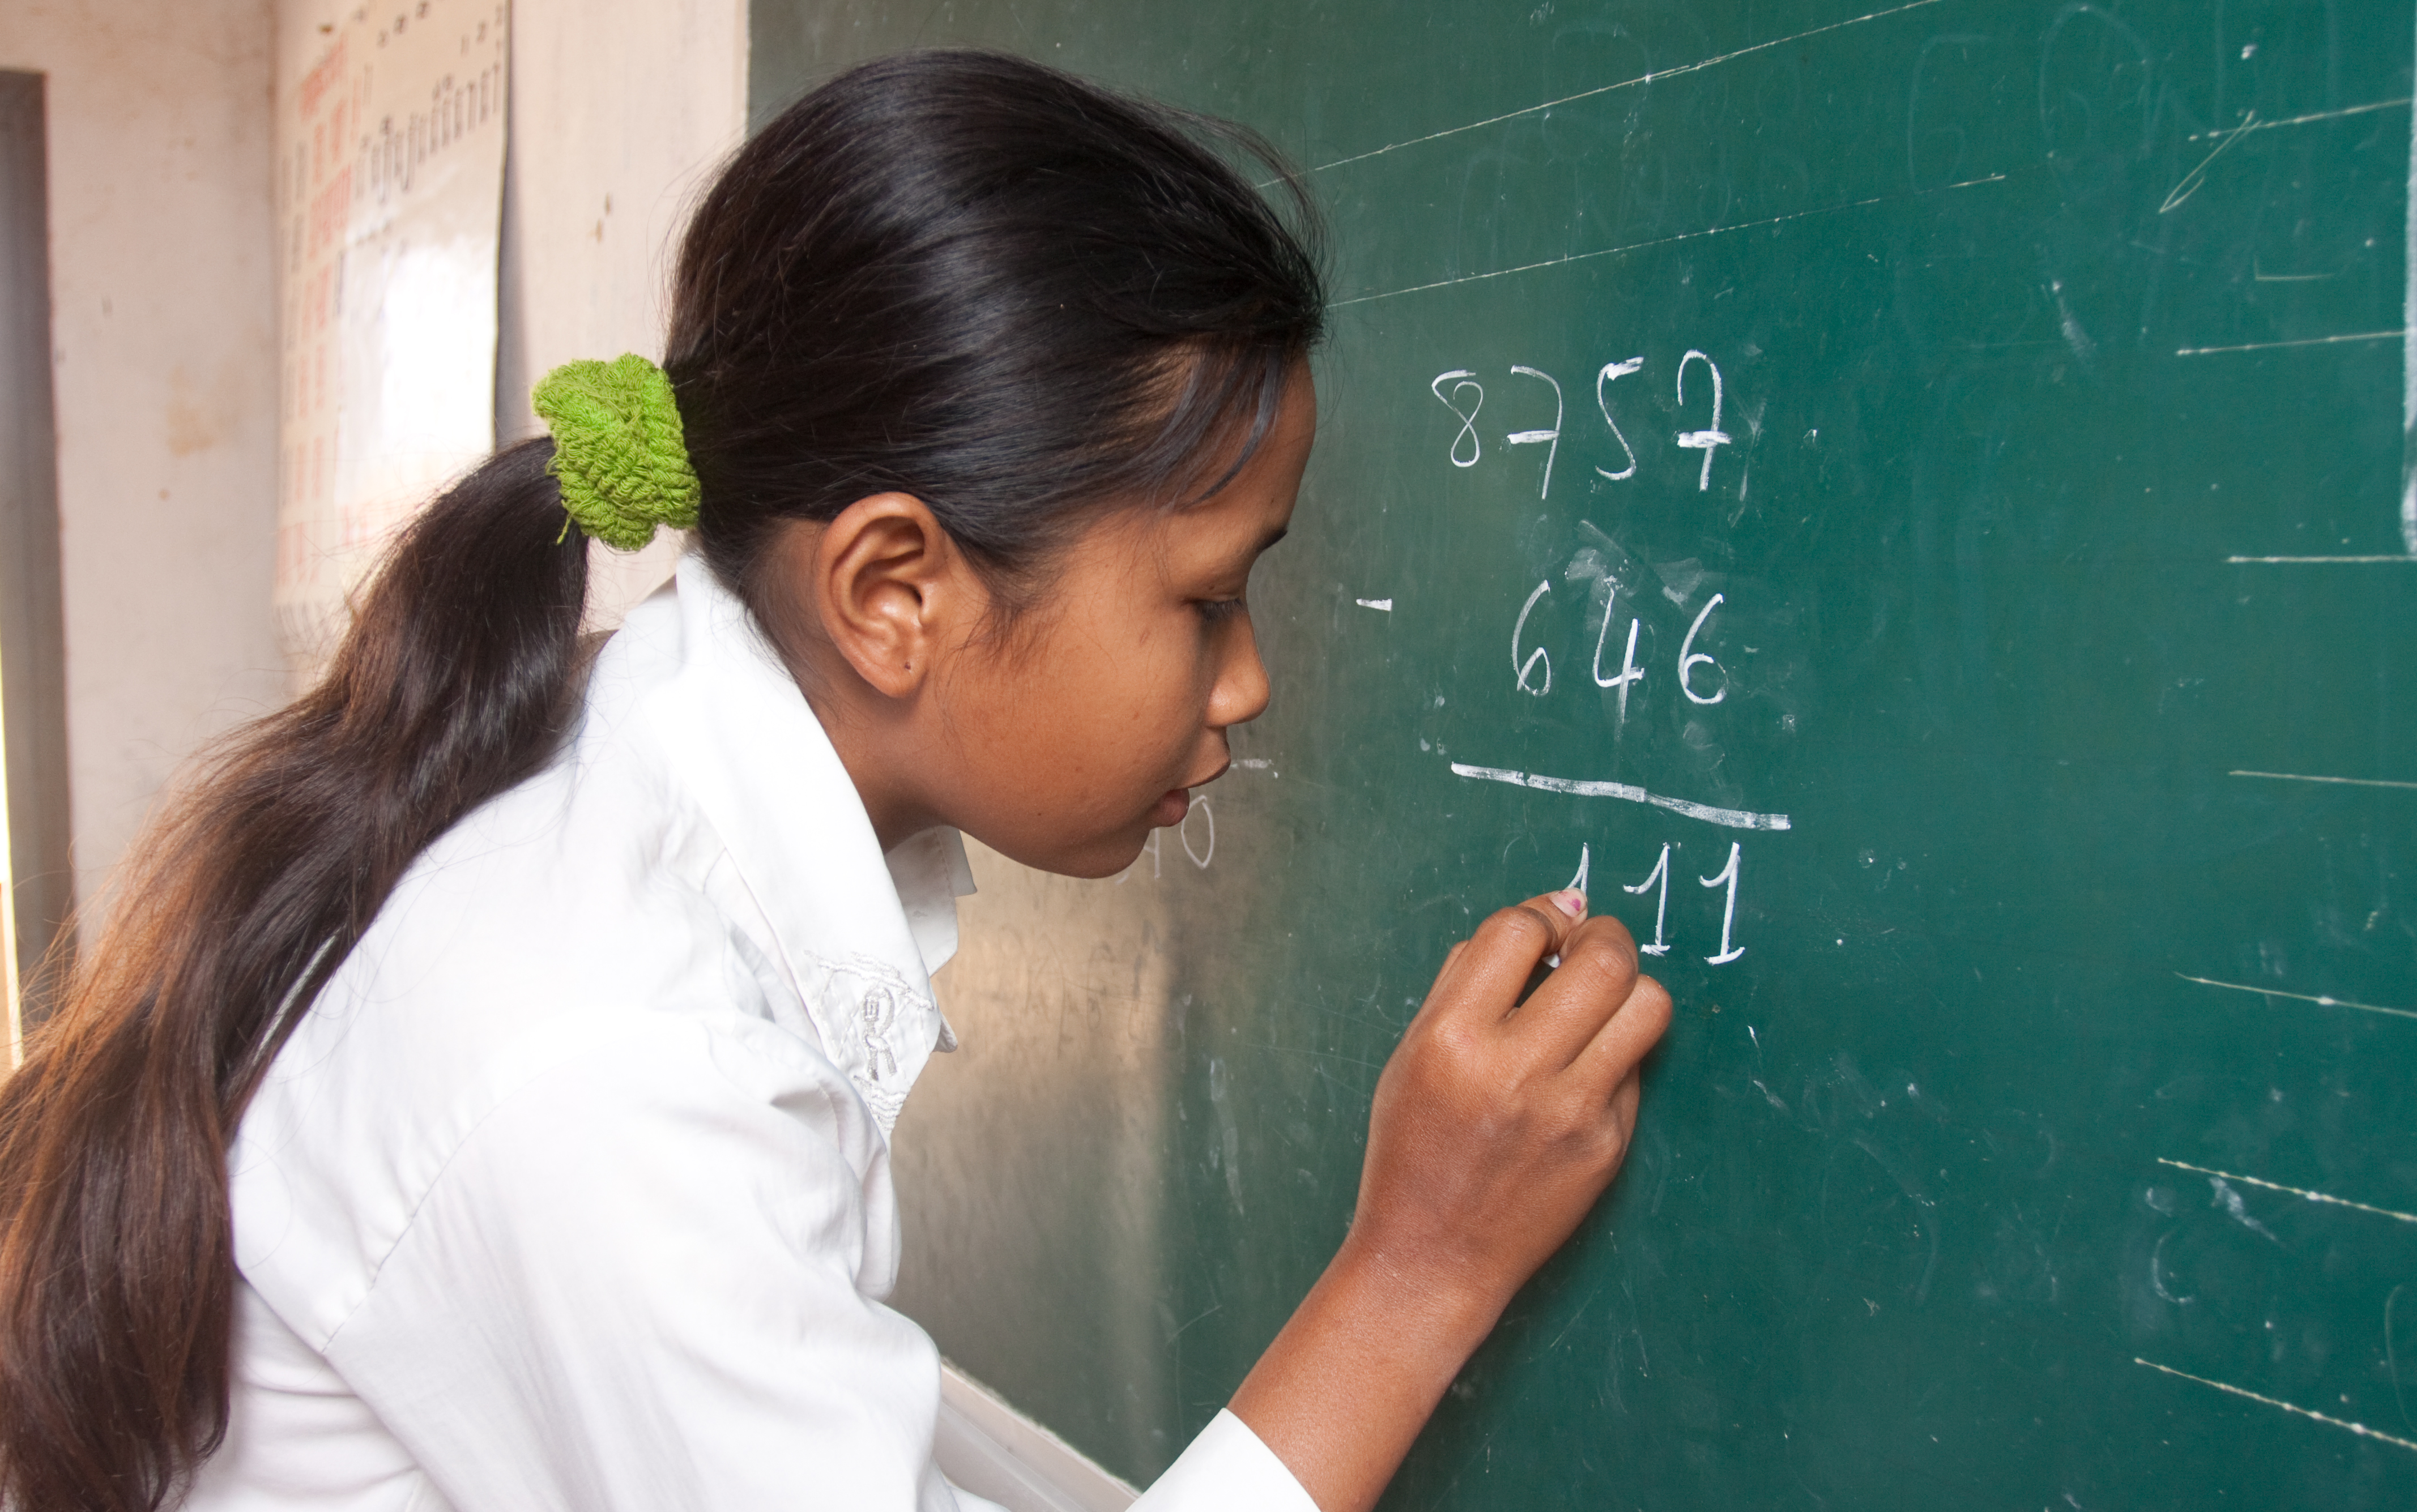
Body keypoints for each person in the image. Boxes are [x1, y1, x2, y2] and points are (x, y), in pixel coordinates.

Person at [0, 49, 1670, 1512]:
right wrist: (1414, 1273)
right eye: (1204, 597)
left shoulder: (632, 800)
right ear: (892, 594)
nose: (1249, 681)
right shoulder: (604, 1057)